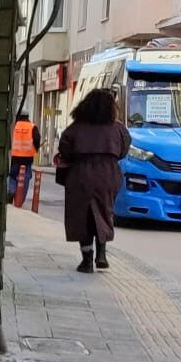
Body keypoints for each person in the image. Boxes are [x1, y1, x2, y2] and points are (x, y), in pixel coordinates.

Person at [55, 89, 129, 273]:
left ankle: (87, 261)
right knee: (104, 211)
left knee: (82, 216)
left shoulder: (76, 128)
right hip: (108, 174)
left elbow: (65, 148)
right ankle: (102, 254)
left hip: (81, 174)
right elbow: (124, 150)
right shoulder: (118, 128)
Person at [9, 110, 40, 199]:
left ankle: (12, 190)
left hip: (15, 156)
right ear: (28, 116)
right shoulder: (32, 127)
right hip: (27, 157)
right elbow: (37, 139)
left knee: (13, 175)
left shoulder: (14, 126)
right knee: (26, 178)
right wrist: (36, 149)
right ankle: (20, 198)